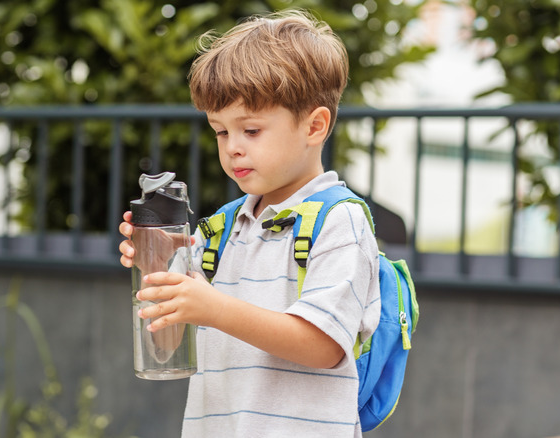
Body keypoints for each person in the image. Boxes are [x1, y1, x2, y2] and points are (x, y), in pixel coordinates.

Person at [118, 9, 380, 437]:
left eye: (251, 130)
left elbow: (324, 346)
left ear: (314, 126)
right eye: (221, 132)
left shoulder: (338, 222)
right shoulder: (221, 229)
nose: (233, 148)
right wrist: (157, 270)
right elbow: (167, 348)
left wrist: (213, 307)